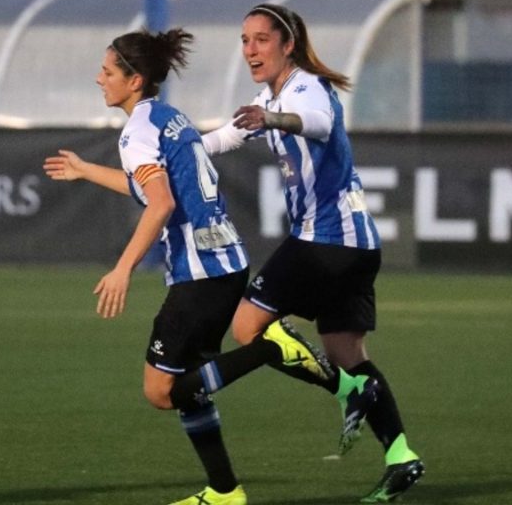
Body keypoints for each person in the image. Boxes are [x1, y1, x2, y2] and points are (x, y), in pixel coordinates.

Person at [43, 28, 336, 505]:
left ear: (134, 80)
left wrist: (122, 269)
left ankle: (272, 350)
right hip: (225, 263)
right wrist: (84, 169)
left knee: (161, 390)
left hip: (200, 274)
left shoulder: (137, 131)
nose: (99, 78)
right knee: (191, 386)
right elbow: (153, 187)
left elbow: (158, 205)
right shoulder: (167, 118)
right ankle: (224, 491)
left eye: (107, 71)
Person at [198, 3, 424, 503]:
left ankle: (348, 391)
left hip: (327, 241)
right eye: (244, 40)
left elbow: (318, 123)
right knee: (348, 354)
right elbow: (226, 137)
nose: (250, 50)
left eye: (260, 39)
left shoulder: (305, 88)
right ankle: (401, 455)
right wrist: (178, 147)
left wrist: (274, 117)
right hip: (357, 246)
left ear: (287, 45)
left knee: (248, 328)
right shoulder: (269, 96)